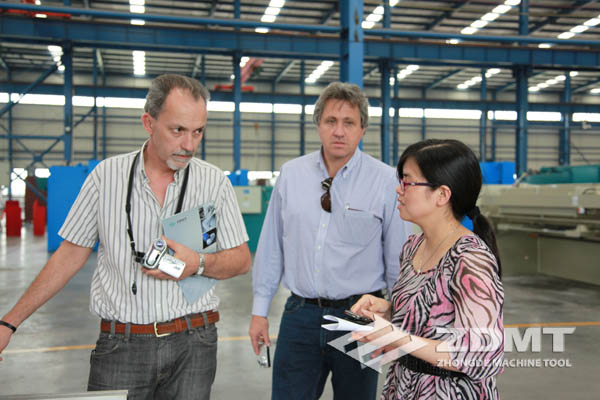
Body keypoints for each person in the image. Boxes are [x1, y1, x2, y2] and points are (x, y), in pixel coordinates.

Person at [0, 74, 251, 399]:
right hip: (122, 346)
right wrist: (9, 323)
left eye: (198, 131)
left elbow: (241, 260)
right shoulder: (106, 177)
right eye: (177, 130)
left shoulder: (214, 182)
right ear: (149, 123)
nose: (189, 145)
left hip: (195, 344)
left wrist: (198, 263)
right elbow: (70, 254)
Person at [249, 81, 412, 400]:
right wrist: (259, 311)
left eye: (349, 122)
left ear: (362, 128)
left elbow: (398, 259)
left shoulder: (385, 180)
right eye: (331, 121)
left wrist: (400, 320)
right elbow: (271, 248)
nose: (339, 131)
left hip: (362, 318)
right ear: (318, 125)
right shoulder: (291, 175)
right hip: (300, 315)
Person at [351, 139, 504, 399]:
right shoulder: (413, 247)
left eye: (408, 182)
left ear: (442, 195)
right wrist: (390, 310)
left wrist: (395, 336)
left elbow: (480, 356)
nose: (398, 190)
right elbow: (434, 316)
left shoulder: (470, 259)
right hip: (405, 385)